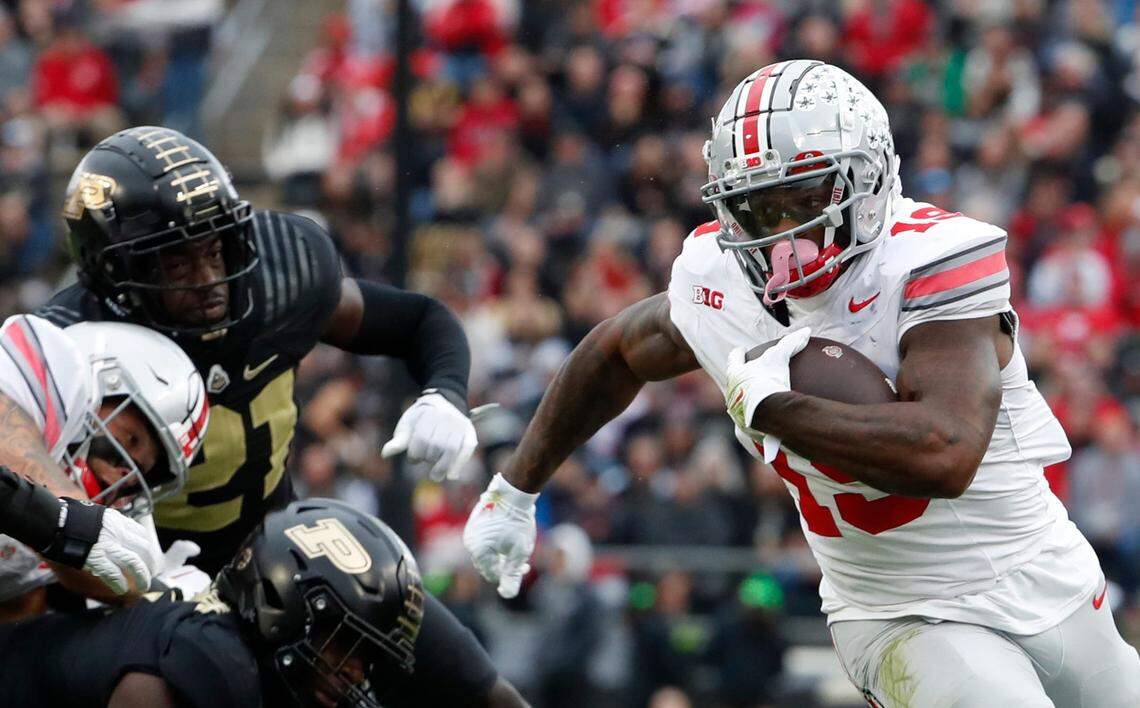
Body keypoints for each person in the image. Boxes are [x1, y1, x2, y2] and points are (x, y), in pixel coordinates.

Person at [463, 60, 1140, 706]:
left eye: (805, 199)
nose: (787, 236)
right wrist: (514, 487)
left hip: (1039, 569)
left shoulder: (928, 258)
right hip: (897, 612)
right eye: (760, 210)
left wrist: (775, 408)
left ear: (867, 180)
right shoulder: (719, 283)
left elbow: (947, 452)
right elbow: (614, 352)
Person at [38, 125, 501, 693]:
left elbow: (419, 319)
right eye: (177, 264)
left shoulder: (281, 276)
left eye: (215, 249)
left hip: (283, 551)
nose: (210, 280)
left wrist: (445, 393)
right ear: (116, 273)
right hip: (146, 584)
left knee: (478, 685)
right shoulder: (72, 349)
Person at [0, 498, 528, 708]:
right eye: (346, 644)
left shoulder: (244, 662)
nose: (357, 671)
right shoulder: (208, 664)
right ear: (285, 609)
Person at [0, 314, 207, 614]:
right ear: (100, 383)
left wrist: (154, 594)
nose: (127, 474)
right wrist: (69, 519)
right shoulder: (54, 363)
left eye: (141, 471)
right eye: (132, 439)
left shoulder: (58, 537)